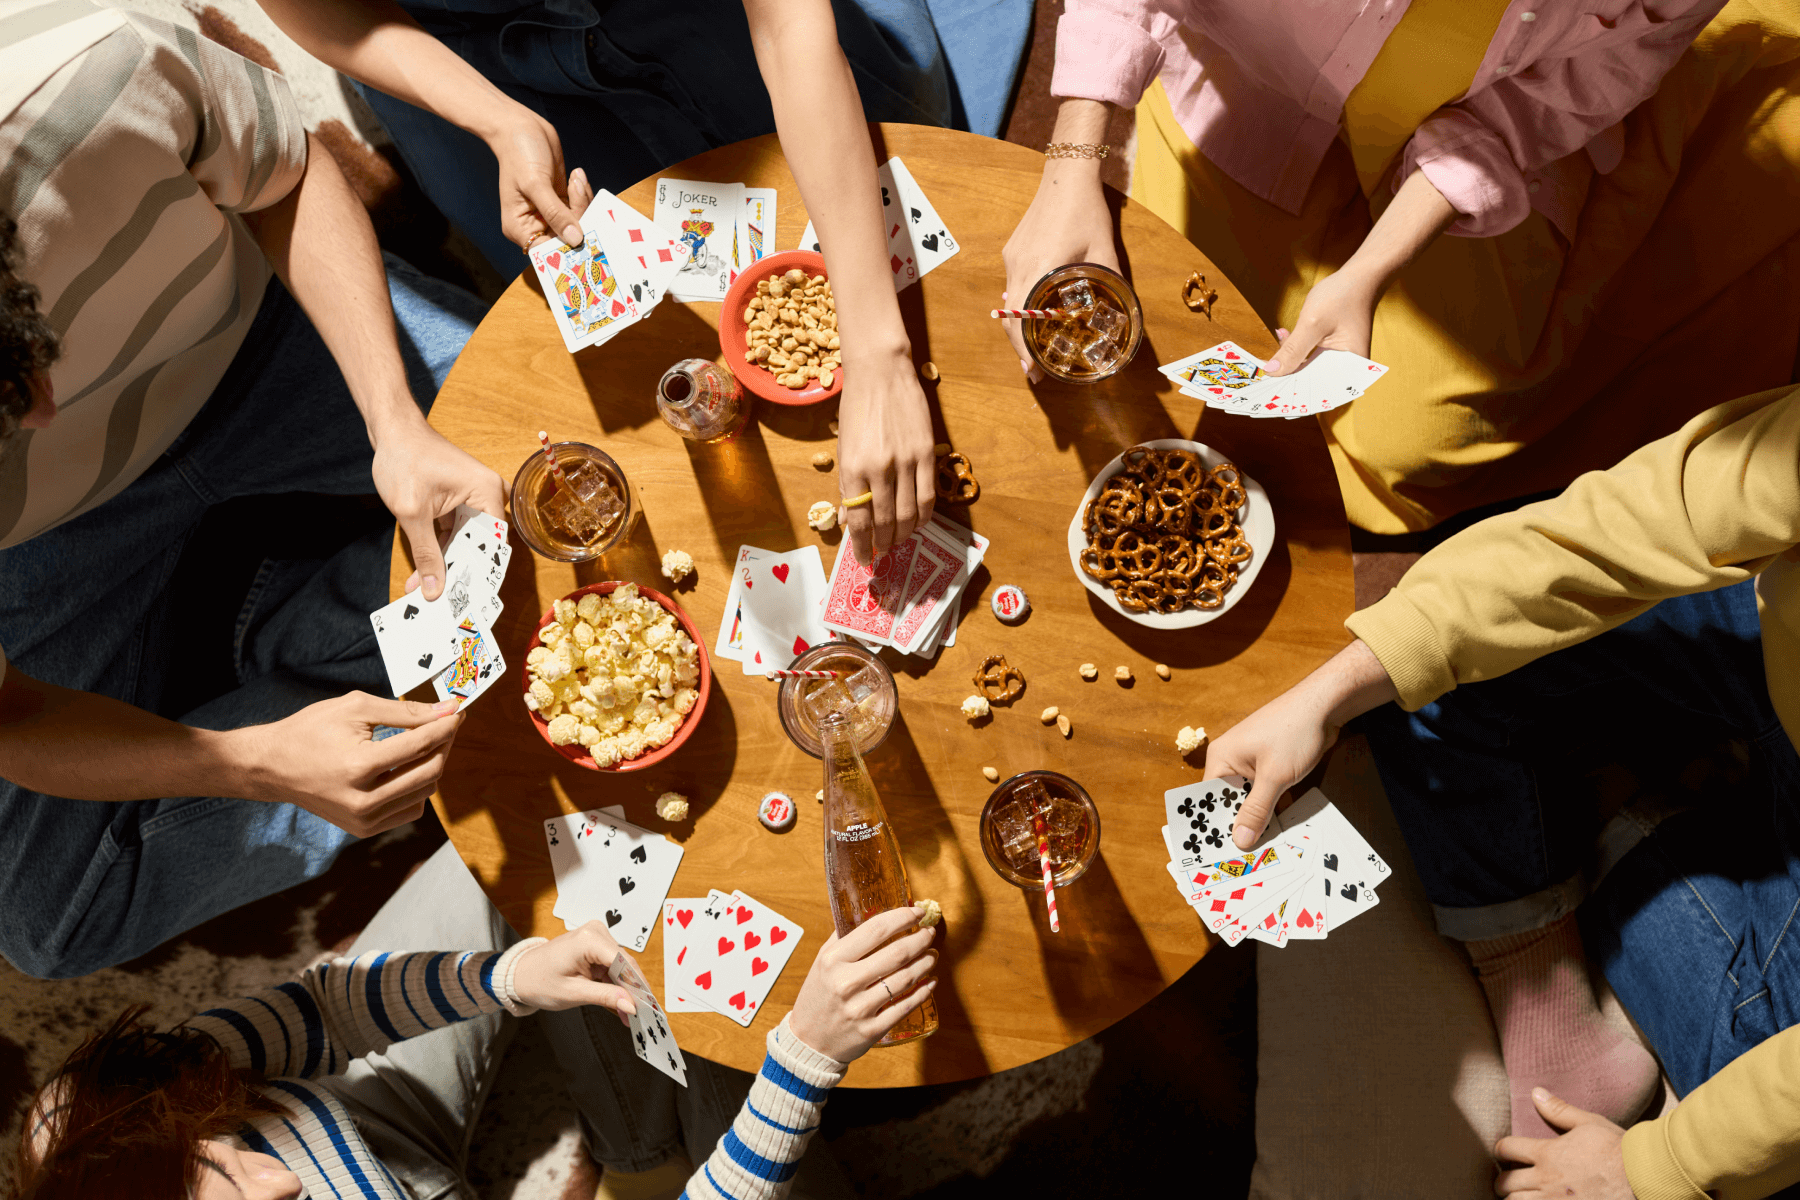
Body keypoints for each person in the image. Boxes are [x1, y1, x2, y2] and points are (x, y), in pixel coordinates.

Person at [0, 0, 505, 979]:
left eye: (26, 368)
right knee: (51, 928)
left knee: (578, 460)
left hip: (257, 347)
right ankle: (316, 641)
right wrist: (252, 764)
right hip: (44, 548)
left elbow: (292, 169)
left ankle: (303, 631)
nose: (51, 419)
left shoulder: (96, 81)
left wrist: (393, 420)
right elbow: (9, 722)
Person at [1204, 381, 1800, 1191]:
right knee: (1426, 667)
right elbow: (1643, 518)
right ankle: (1602, 897)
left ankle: (1648, 839)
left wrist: (1659, 1170)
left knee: (1744, 1073)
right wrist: (1341, 683)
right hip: (1773, 650)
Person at [261, 0, 1033, 565]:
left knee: (898, 142)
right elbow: (327, 16)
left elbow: (791, 25)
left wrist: (880, 354)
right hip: (458, 47)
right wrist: (500, 122)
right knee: (618, 325)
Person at [1001, 0, 1800, 536]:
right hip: (1250, 80)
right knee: (1175, 328)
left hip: (1474, 124)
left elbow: (1543, 104)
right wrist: (1070, 166)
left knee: (1419, 444)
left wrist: (1372, 267)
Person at [13, 838, 941, 1199]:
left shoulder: (101, 1119)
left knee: (542, 851)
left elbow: (326, 1007)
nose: (277, 1182)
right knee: (740, 1073)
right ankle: (643, 1154)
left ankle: (630, 1138)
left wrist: (506, 979)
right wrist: (804, 1061)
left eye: (215, 1154)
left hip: (361, 1118)